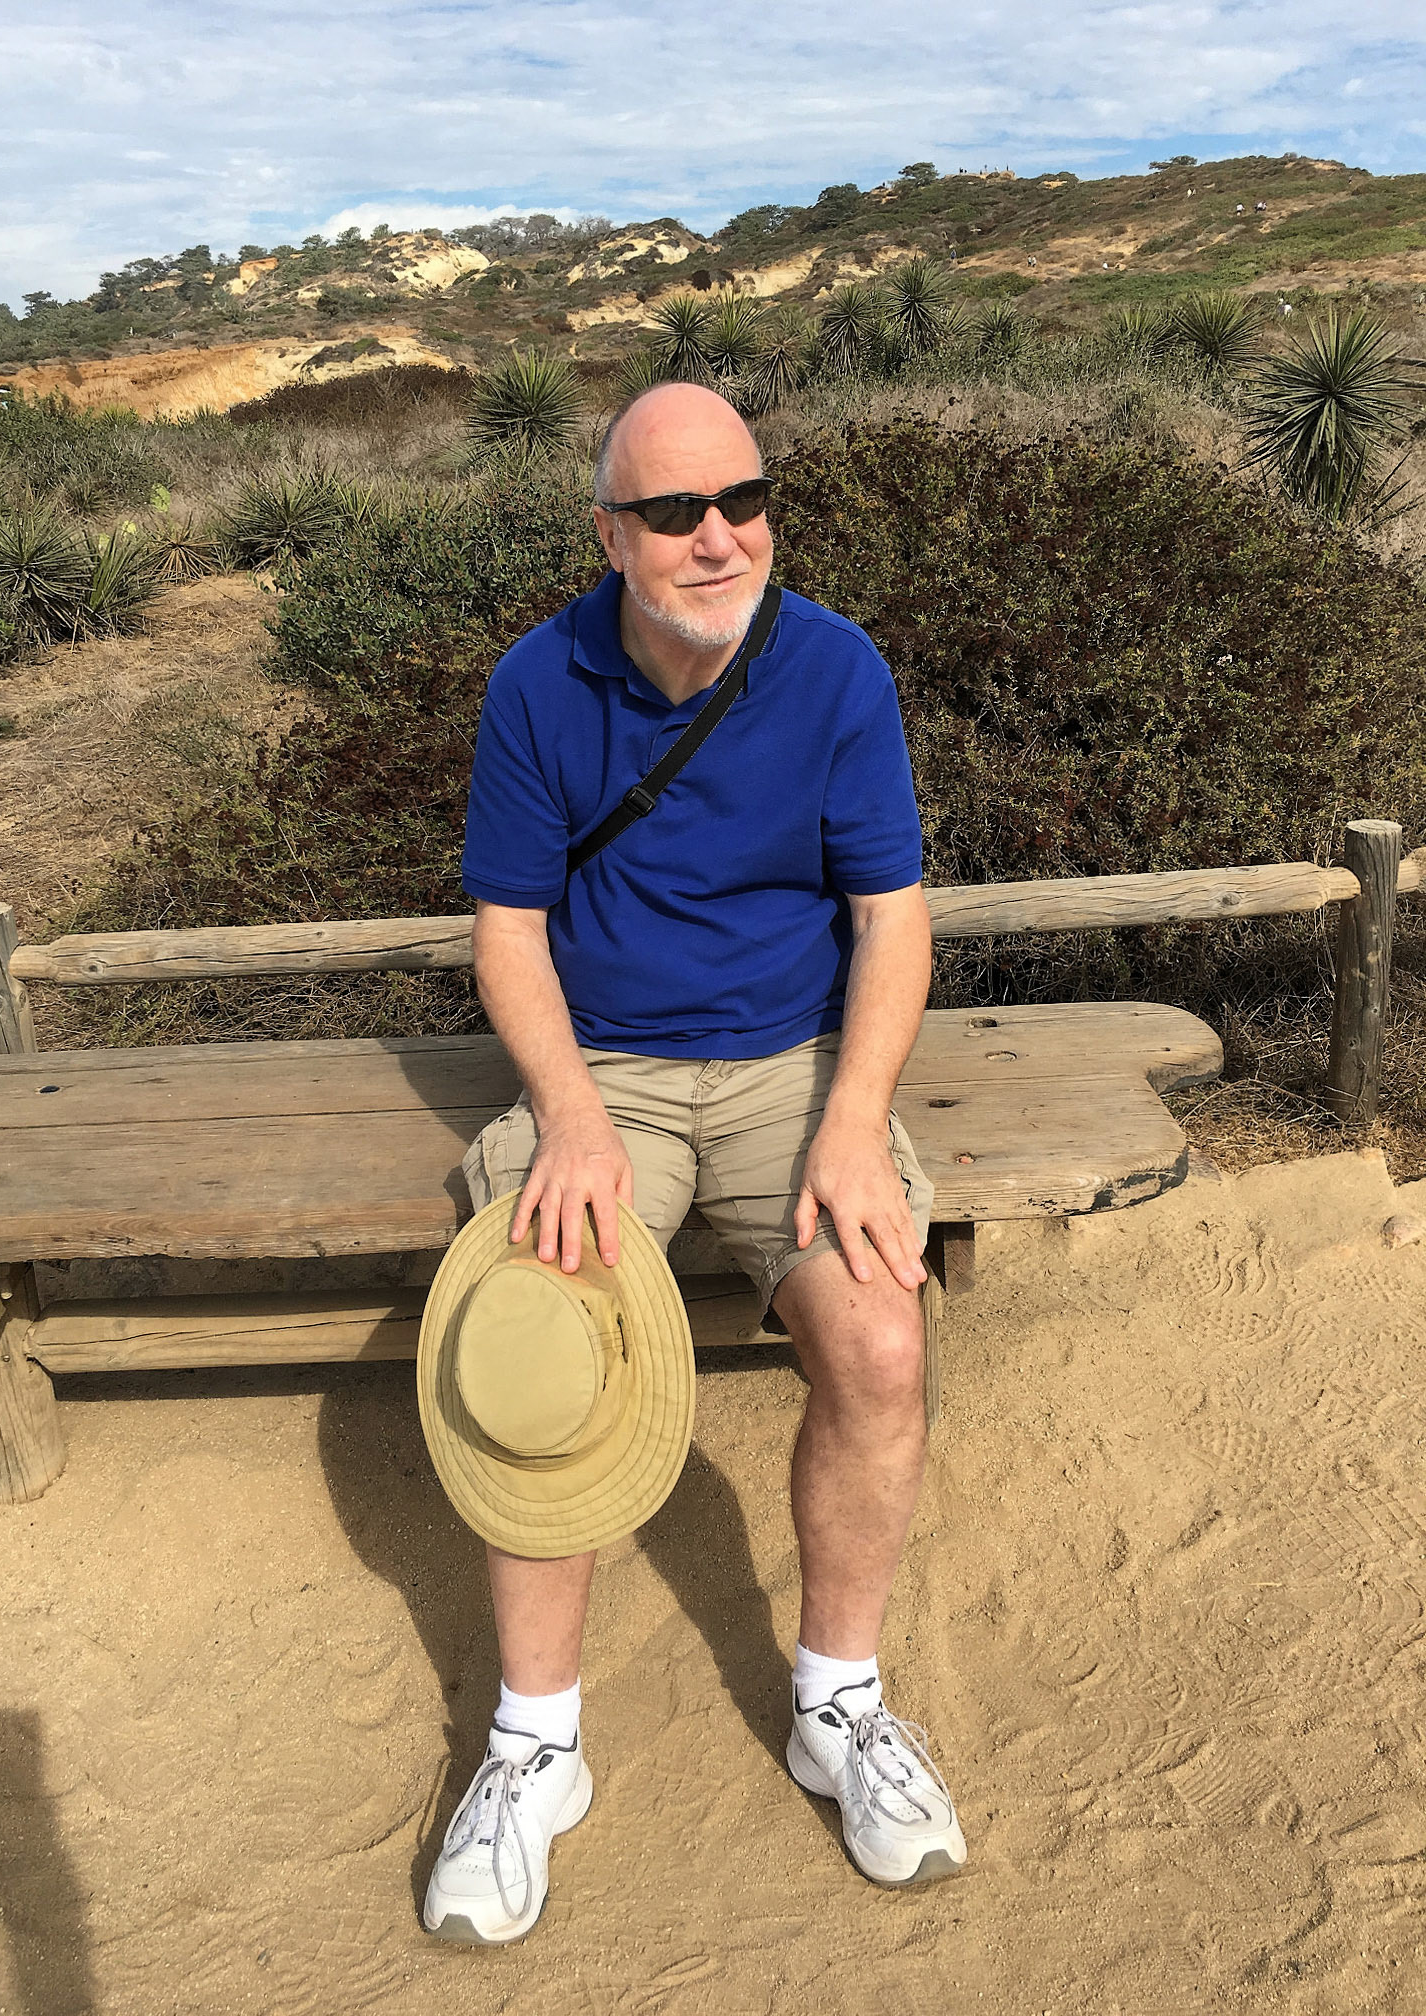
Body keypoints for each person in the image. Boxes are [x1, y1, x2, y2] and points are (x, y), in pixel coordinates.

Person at [422, 381, 965, 1943]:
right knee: (539, 1334)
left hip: (797, 1068)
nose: (719, 536)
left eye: (744, 499)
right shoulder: (541, 682)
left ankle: (837, 1704)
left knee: (876, 1336)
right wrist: (573, 1118)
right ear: (610, 535)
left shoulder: (838, 666)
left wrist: (855, 1121)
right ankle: (537, 1742)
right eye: (673, 512)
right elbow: (510, 932)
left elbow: (892, 918)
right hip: (611, 1080)